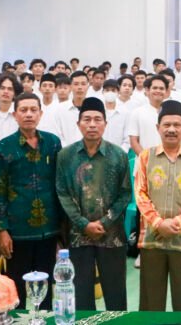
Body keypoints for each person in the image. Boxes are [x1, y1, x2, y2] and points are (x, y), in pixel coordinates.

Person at [56, 97, 131, 310]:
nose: (92, 124)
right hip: (79, 237)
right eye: (86, 119)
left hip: (112, 236)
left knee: (115, 294)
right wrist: (83, 224)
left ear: (105, 124)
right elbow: (62, 193)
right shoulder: (65, 156)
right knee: (81, 295)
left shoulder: (118, 155)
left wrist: (105, 222)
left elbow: (125, 194)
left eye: (97, 119)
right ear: (78, 123)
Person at [0, 92, 62, 310]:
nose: (29, 114)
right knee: (17, 289)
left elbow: (61, 186)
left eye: (33, 110)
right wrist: (2, 230)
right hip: (17, 231)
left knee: (48, 287)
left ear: (41, 113)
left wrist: (62, 231)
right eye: (23, 110)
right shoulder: (4, 147)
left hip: (49, 229)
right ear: (15, 115)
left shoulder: (52, 143)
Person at [135, 100, 181, 311]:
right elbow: (140, 193)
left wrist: (177, 222)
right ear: (157, 128)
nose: (171, 129)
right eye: (166, 125)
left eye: (177, 125)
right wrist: (158, 223)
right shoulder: (145, 157)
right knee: (151, 303)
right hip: (151, 241)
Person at [128, 75, 167, 155]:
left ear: (166, 92)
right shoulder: (137, 113)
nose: (158, 91)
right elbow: (134, 141)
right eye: (155, 88)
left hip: (167, 162)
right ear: (147, 90)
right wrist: (146, 160)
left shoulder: (170, 112)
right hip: (144, 162)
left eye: (161, 88)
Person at [102, 79, 130, 151]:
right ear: (103, 92)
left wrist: (119, 153)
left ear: (118, 92)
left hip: (118, 154)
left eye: (113, 90)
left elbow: (127, 139)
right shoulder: (97, 111)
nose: (110, 93)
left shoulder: (125, 112)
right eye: (107, 90)